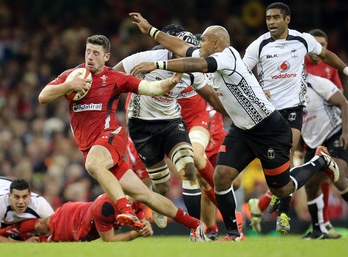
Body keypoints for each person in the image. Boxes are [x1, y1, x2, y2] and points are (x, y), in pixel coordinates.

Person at [128, 12, 339, 241]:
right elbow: (181, 47)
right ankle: (233, 234)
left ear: (216, 43)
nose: (199, 44)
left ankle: (320, 160)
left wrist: (157, 64)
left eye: (204, 40)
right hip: (242, 130)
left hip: (268, 128)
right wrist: (150, 29)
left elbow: (197, 62)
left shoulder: (226, 58)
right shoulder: (210, 52)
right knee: (221, 177)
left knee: (283, 188)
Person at [38, 34, 207, 241]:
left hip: (111, 137)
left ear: (106, 56)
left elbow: (151, 88)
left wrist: (171, 81)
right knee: (145, 195)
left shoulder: (115, 78)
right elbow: (43, 96)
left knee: (93, 165)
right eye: (88, 51)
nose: (90, 57)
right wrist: (68, 86)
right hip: (93, 146)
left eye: (96, 53)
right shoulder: (72, 75)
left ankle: (124, 208)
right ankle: (196, 225)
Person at [242, 2, 348, 234]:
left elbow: (328, 57)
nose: (271, 22)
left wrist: (346, 70)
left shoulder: (303, 43)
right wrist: (258, 88)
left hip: (295, 112)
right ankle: (271, 201)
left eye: (276, 17)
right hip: (269, 112)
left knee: (287, 155)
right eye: (268, 18)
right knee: (280, 167)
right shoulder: (259, 45)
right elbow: (241, 74)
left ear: (287, 19)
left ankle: (283, 215)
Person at [113, 27, 224, 231]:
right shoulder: (148, 58)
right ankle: (153, 203)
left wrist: (237, 112)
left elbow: (211, 97)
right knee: (161, 186)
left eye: (188, 51)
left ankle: (196, 228)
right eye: (181, 49)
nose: (185, 54)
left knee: (189, 169)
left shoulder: (192, 69)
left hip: (172, 122)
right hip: (142, 127)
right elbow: (113, 76)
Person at [300, 73, 348, 239]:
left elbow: (343, 103)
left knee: (339, 176)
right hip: (312, 143)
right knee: (311, 185)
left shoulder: (317, 83)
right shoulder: (286, 93)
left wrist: (346, 133)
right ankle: (317, 230)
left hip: (334, 133)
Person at [0, 194, 153, 242]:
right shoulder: (104, 209)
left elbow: (139, 214)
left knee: (43, 227)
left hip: (74, 211)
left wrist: (143, 225)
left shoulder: (133, 198)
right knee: (44, 231)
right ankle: (2, 233)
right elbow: (109, 240)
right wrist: (134, 234)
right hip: (73, 222)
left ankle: (7, 233)